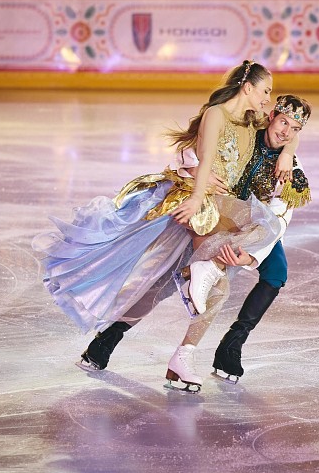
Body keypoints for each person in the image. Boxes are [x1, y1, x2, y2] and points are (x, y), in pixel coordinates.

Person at [33, 61, 295, 391]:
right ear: (248, 87)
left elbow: (291, 131)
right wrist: (197, 192)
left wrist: (288, 152)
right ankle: (179, 343)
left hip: (225, 212)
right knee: (242, 252)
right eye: (266, 91)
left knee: (167, 286)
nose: (269, 99)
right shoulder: (217, 114)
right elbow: (201, 156)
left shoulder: (254, 121)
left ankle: (120, 343)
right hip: (203, 206)